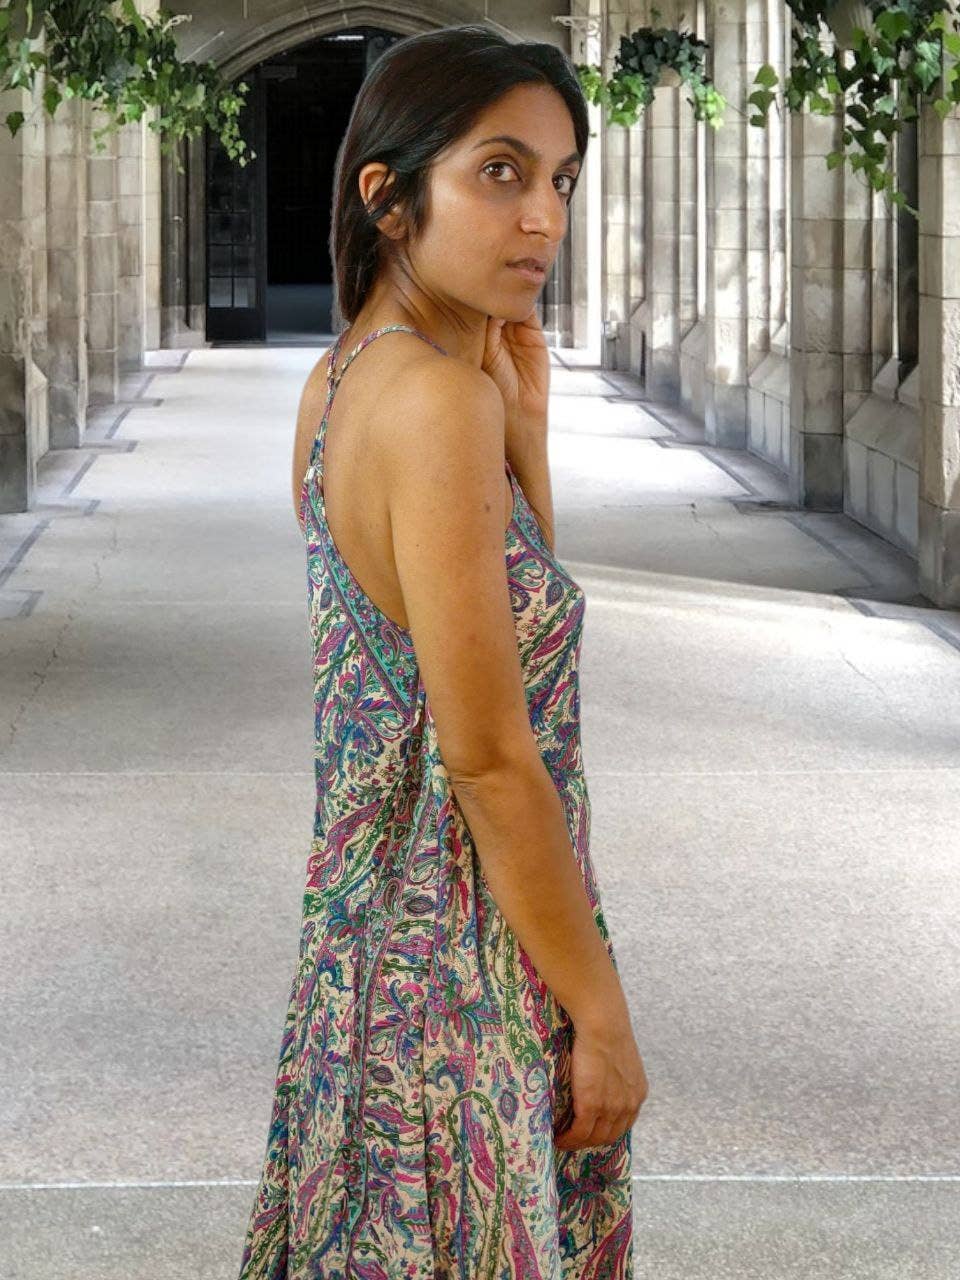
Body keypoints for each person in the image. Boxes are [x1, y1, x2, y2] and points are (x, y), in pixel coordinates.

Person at [237, 22, 648, 1279]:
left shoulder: (344, 379)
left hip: (365, 963)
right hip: (453, 981)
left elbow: (501, 633)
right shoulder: (436, 401)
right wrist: (601, 1010)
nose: (544, 217)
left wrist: (526, 440)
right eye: (500, 172)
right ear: (389, 195)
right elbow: (487, 755)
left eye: (562, 178)